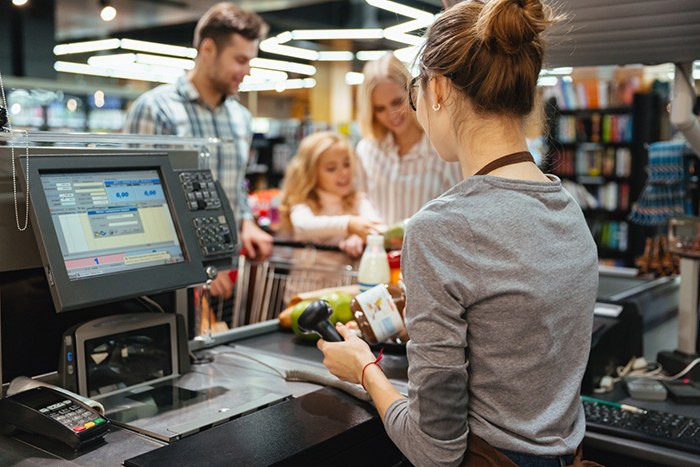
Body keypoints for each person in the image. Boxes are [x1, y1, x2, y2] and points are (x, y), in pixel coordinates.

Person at [318, 1, 601, 466]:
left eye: (414, 90)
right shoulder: (566, 208)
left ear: (440, 89)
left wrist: (365, 371)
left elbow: (436, 449)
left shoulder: (439, 229)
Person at [124, 2, 273, 298]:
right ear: (208, 50)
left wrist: (246, 222)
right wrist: (197, 264)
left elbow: (234, 187)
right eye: (240, 60)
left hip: (228, 271)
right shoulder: (156, 110)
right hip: (170, 277)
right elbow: (139, 198)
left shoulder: (241, 118)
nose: (247, 71)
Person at [355, 53, 463, 226]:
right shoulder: (366, 150)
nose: (392, 115)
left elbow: (461, 207)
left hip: (429, 251)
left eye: (397, 102)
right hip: (380, 251)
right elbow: (359, 198)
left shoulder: (443, 148)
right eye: (380, 108)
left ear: (413, 92)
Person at [280, 131, 383, 259]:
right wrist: (349, 225)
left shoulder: (357, 200)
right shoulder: (302, 202)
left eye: (347, 164)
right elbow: (304, 225)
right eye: (331, 168)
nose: (344, 172)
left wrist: (359, 236)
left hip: (346, 278)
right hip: (305, 278)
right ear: (311, 173)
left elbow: (379, 228)